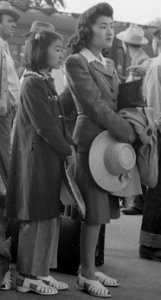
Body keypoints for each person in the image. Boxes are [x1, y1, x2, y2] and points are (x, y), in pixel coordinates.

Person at [65, 3, 136, 298]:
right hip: (91, 142)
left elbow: (114, 104)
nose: (110, 31)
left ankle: (89, 267)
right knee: (92, 211)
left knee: (102, 210)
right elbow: (94, 105)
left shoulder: (107, 63)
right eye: (103, 25)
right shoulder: (76, 61)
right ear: (87, 29)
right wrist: (128, 130)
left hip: (108, 143)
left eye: (112, 25)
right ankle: (86, 274)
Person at [5, 30, 75, 295]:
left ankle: (42, 271)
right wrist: (67, 149)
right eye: (57, 49)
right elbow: (45, 126)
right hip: (36, 161)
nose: (62, 53)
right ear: (40, 51)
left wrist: (68, 142)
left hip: (47, 160)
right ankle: (26, 275)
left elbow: (57, 120)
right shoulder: (33, 83)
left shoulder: (45, 81)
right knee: (35, 216)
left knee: (48, 215)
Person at [116, 24, 150, 215]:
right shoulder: (141, 59)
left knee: (136, 157)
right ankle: (136, 199)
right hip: (138, 115)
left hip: (137, 116)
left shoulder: (142, 63)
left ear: (124, 43)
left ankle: (138, 201)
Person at [0, 1, 21, 290]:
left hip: (6, 118)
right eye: (9, 20)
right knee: (5, 188)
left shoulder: (5, 48)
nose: (14, 24)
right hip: (1, 119)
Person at [139, 27, 161, 261]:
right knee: (157, 187)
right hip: (160, 131)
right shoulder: (157, 67)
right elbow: (154, 108)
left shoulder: (156, 66)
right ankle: (149, 244)